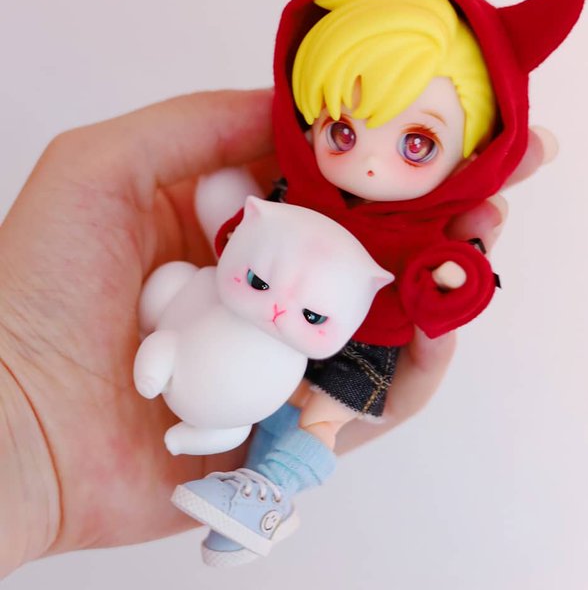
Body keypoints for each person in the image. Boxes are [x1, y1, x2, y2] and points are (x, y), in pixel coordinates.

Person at [0, 87, 556, 578]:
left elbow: (446, 284)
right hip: (258, 322)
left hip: (363, 337)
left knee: (320, 417)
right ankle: (256, 499)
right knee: (268, 401)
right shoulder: (299, 189)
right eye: (344, 132)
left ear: (466, 162)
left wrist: (456, 277)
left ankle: (270, 491)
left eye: (417, 144)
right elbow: (240, 229)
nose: (369, 162)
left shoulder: (421, 229)